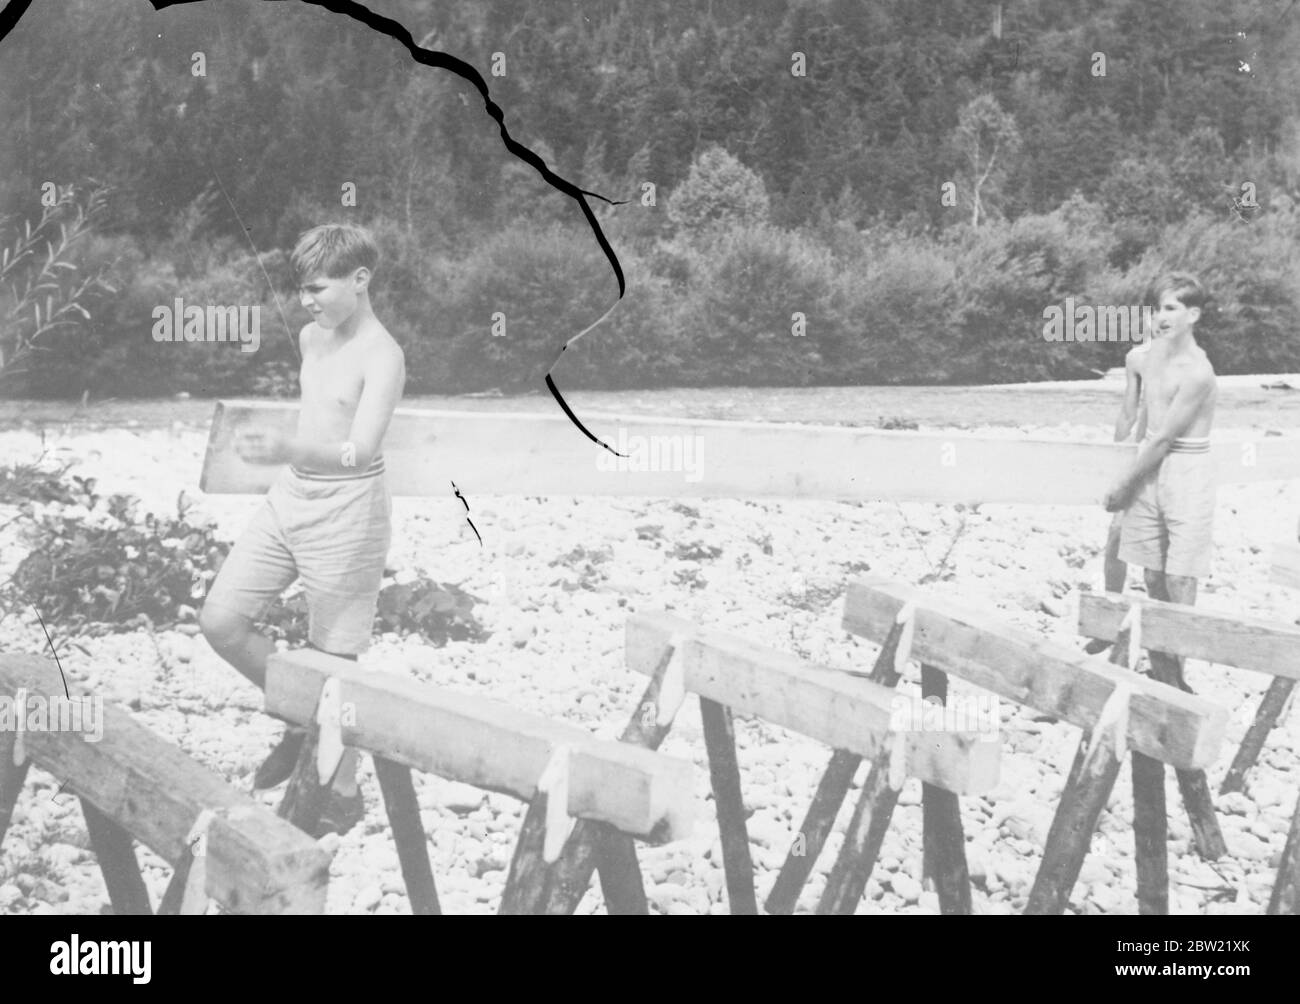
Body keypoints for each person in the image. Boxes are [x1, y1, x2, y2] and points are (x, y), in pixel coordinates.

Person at [199, 223, 405, 835]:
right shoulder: (313, 338)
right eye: (301, 289)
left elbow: (360, 451)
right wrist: (284, 450)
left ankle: (340, 794)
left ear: (360, 279)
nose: (305, 302)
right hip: (289, 499)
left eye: (317, 288)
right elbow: (321, 418)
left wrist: (286, 445)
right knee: (222, 621)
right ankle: (300, 719)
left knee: (333, 663)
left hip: (347, 515)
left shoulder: (384, 356)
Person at [1103, 273, 1216, 690]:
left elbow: (1166, 438)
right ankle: (1160, 663)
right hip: (1149, 466)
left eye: (1169, 309)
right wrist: (1114, 465)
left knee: (1180, 576)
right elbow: (1132, 416)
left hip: (1186, 470)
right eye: (1154, 309)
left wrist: (1122, 486)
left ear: (1193, 315)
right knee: (1151, 574)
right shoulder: (1139, 359)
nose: (1159, 317)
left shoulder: (1199, 372)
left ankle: (1178, 670)